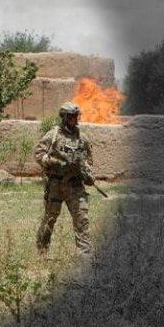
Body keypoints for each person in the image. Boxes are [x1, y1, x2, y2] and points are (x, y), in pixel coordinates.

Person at [33, 101, 94, 257]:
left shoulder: (83, 138)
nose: (74, 119)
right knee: (50, 219)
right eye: (71, 116)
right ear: (64, 117)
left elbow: (89, 160)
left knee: (82, 219)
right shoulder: (53, 135)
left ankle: (85, 257)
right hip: (56, 184)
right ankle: (42, 251)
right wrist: (53, 162)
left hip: (75, 186)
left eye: (76, 116)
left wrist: (86, 171)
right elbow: (38, 153)